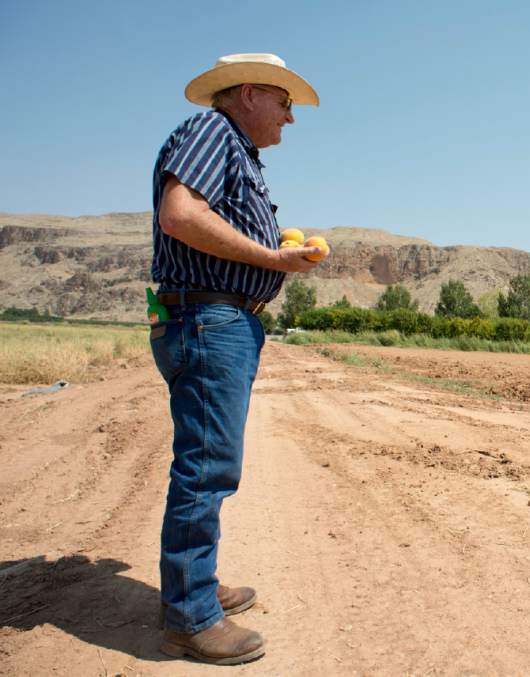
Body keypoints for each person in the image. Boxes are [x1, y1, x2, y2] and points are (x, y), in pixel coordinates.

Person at [149, 53, 323, 665]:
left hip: (212, 317)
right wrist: (274, 261)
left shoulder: (236, 150)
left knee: (208, 460)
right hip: (207, 317)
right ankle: (190, 615)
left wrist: (274, 256)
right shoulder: (211, 132)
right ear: (248, 93)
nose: (289, 119)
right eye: (285, 103)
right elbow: (181, 215)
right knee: (207, 467)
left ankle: (194, 584)